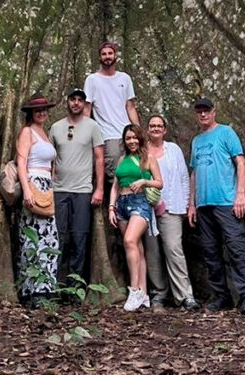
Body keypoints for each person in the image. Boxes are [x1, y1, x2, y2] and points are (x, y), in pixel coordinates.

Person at [187, 97, 245, 314]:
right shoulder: (196, 141)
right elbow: (194, 173)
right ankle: (222, 296)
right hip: (204, 205)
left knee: (236, 249)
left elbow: (241, 163)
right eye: (199, 111)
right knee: (211, 252)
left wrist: (240, 195)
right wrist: (191, 204)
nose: (203, 114)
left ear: (214, 112)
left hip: (227, 202)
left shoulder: (226, 132)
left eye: (206, 111)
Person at [49, 88, 104, 290]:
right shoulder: (55, 127)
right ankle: (53, 285)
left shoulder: (93, 127)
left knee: (79, 237)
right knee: (58, 237)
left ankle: (75, 288)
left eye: (80, 100)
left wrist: (99, 189)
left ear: (84, 104)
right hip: (59, 190)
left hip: (82, 190)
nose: (76, 103)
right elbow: (51, 158)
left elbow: (99, 158)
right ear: (68, 102)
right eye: (73, 99)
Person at [144, 114, 200, 310]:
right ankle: (159, 293)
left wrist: (186, 203)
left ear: (165, 130)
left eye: (159, 126)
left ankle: (185, 295)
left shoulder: (173, 150)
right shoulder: (142, 151)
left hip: (172, 207)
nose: (156, 129)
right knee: (152, 252)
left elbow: (184, 177)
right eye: (152, 126)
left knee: (174, 249)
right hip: (147, 209)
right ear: (147, 129)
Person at [109, 124, 162, 311]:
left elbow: (159, 182)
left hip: (140, 202)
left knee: (130, 240)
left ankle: (134, 291)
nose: (131, 141)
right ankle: (144, 294)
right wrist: (111, 207)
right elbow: (115, 185)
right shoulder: (122, 158)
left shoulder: (148, 158)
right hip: (122, 204)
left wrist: (144, 181)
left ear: (140, 138)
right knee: (136, 247)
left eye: (134, 137)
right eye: (128, 138)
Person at [16, 93, 58, 307]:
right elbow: (21, 162)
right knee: (33, 238)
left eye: (44, 110)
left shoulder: (44, 133)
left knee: (50, 239)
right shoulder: (27, 132)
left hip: (46, 188)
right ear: (31, 113)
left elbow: (50, 164)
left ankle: (46, 288)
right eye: (37, 110)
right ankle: (31, 291)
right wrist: (27, 190)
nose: (41, 113)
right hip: (33, 184)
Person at [83, 41, 141, 185]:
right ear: (99, 57)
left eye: (110, 53)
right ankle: (113, 205)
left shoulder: (125, 78)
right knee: (116, 175)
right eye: (104, 54)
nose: (107, 56)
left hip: (128, 134)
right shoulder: (92, 80)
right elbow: (87, 109)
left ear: (115, 56)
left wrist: (139, 131)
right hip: (109, 136)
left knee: (134, 170)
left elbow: (130, 107)